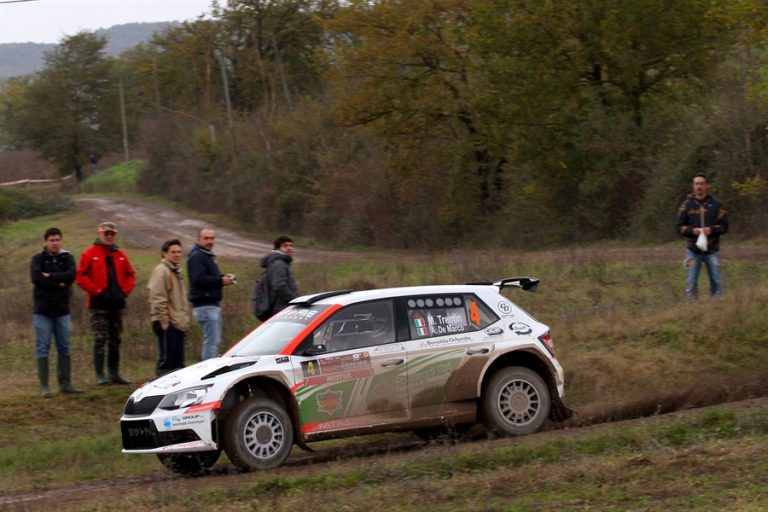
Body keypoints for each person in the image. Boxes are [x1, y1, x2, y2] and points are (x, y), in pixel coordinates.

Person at [76, 221, 136, 384]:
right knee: (100, 339)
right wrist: (97, 291)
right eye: (106, 233)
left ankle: (114, 373)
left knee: (116, 339)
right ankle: (100, 376)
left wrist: (124, 292)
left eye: (112, 234)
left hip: (117, 305)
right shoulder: (89, 253)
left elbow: (131, 274)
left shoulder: (121, 254)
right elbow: (80, 277)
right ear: (100, 234)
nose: (109, 236)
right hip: (98, 306)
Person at [30, 227, 82, 397]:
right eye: (52, 240)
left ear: (61, 240)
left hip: (62, 310)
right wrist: (59, 283)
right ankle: (45, 386)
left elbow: (72, 275)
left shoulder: (67, 257)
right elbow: (36, 278)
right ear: (46, 241)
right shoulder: (38, 259)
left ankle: (66, 384)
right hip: (42, 311)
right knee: (43, 347)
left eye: (57, 240)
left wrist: (50, 277)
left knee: (64, 346)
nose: (55, 243)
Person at [675, 173, 729, 300]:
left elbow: (724, 226)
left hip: (712, 250)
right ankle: (693, 310)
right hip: (693, 251)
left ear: (707, 186)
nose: (699, 186)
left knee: (716, 282)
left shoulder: (717, 204)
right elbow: (678, 227)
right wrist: (692, 231)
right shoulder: (686, 205)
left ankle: (716, 309)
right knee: (691, 283)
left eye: (701, 183)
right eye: (696, 184)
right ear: (693, 186)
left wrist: (711, 230)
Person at [188, 228, 236, 360]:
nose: (210, 241)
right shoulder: (197, 256)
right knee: (211, 344)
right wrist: (221, 281)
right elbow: (198, 279)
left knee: (214, 342)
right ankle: (208, 374)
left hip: (211, 305)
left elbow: (208, 277)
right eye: (206, 238)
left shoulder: (206, 255)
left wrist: (224, 277)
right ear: (198, 240)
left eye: (212, 238)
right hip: (205, 305)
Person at [147, 239, 190, 376]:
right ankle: (159, 392)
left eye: (179, 252)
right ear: (164, 253)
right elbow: (157, 297)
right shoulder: (162, 271)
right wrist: (163, 321)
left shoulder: (175, 271)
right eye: (173, 252)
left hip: (177, 322)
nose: (177, 255)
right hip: (168, 322)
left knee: (178, 365)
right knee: (166, 364)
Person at [260, 235, 299, 317]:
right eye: (285, 246)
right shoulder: (279, 263)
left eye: (291, 246)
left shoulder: (279, 262)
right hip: (281, 308)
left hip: (280, 308)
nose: (289, 248)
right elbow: (279, 285)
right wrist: (295, 300)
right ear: (277, 248)